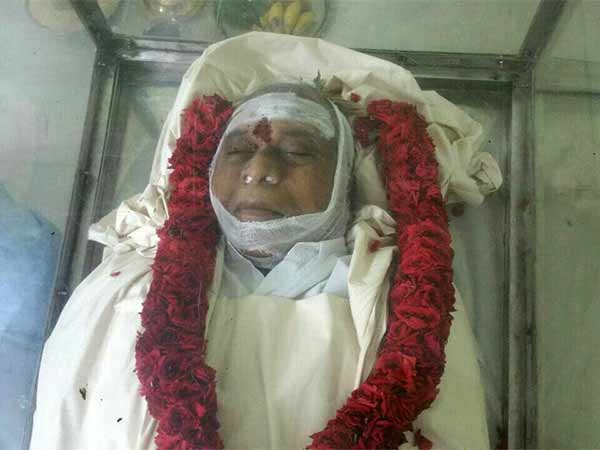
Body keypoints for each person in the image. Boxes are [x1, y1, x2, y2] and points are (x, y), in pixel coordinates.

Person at [29, 32, 502, 450]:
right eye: (238, 150)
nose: (258, 170)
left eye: (297, 151)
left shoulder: (405, 297)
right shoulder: (123, 289)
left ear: (344, 180)